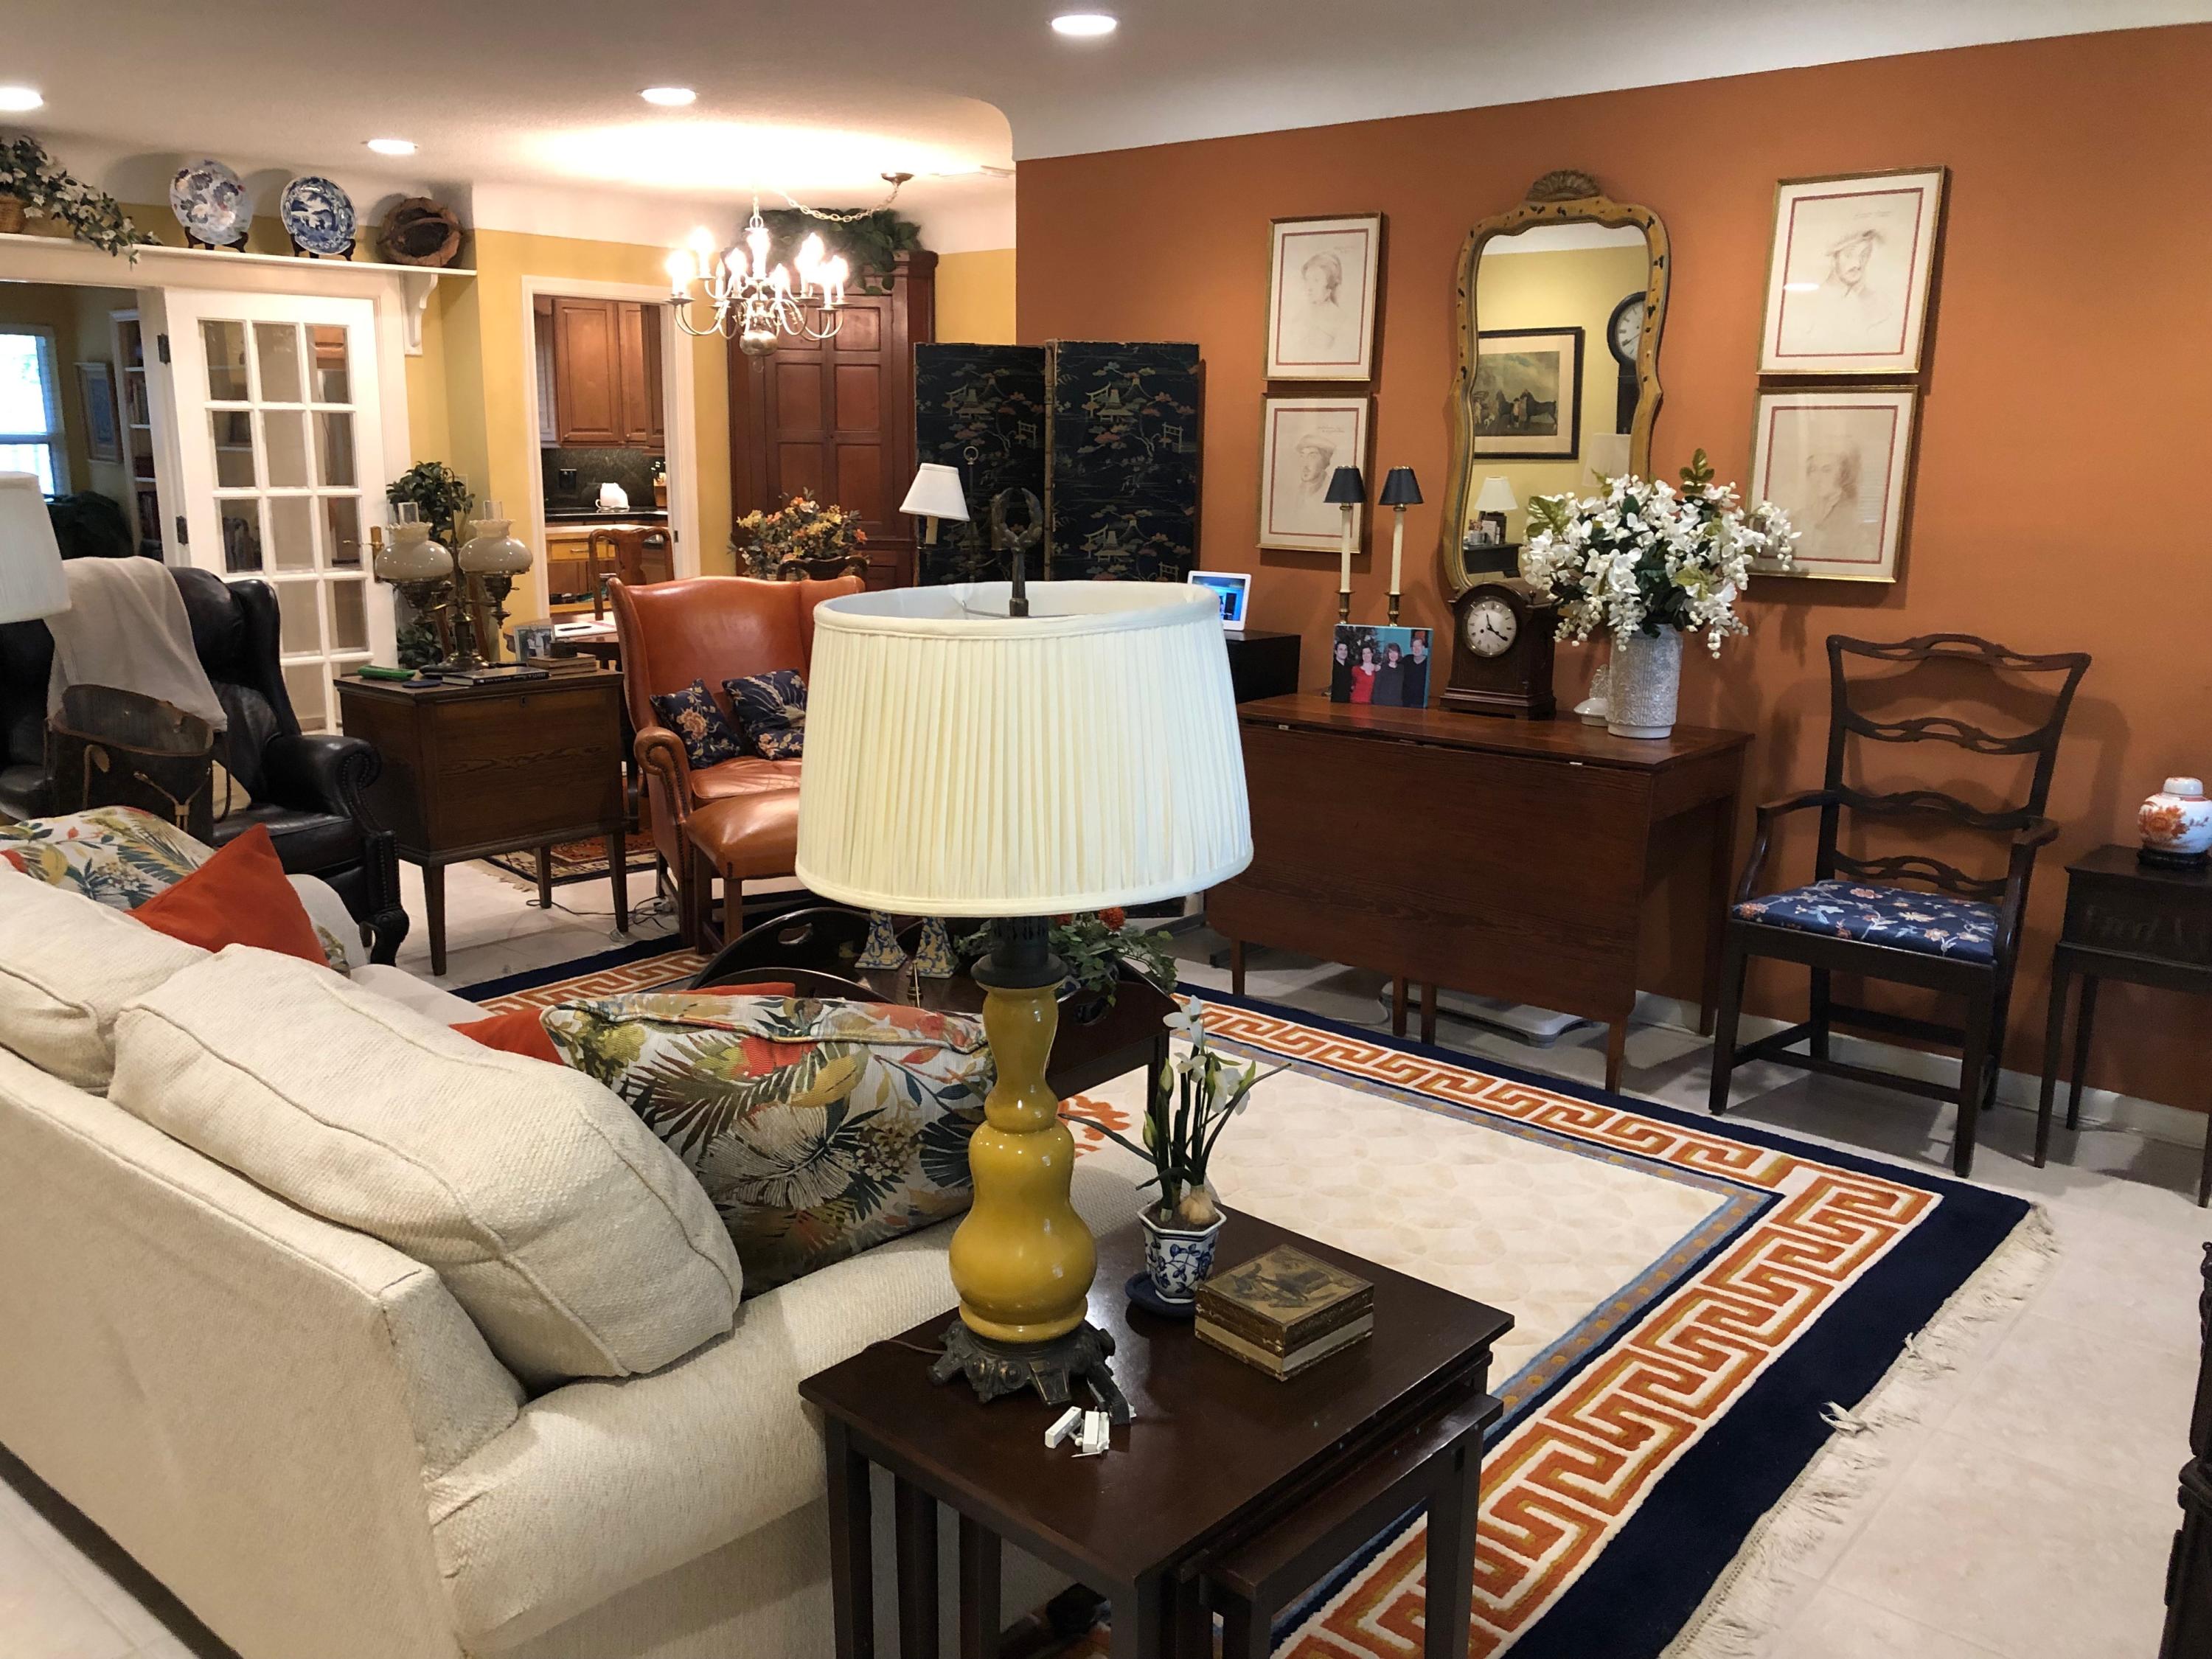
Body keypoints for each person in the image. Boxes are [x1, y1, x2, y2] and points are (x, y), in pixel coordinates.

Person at [1285, 248, 1347, 364]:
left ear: (1330, 285)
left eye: (1316, 280)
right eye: (1307, 280)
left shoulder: (1340, 320)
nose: (1309, 287)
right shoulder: (1299, 317)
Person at [1401, 631, 1431, 707]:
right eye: (1414, 647)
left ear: (1423, 647)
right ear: (1411, 648)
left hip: (1421, 703)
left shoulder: (1429, 663)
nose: (1416, 649)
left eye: (1419, 646)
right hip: (1406, 702)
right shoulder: (1406, 660)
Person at [1374, 641, 1405, 707]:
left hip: (1397, 704)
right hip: (1382, 704)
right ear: (1387, 654)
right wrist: (1376, 704)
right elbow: (1376, 688)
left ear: (1399, 653)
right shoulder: (1381, 668)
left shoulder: (1402, 668)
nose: (1393, 655)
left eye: (1395, 652)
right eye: (1390, 652)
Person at [1348, 641, 1379, 705]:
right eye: (1364, 653)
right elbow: (1352, 684)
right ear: (1362, 656)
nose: (1366, 655)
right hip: (1356, 702)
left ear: (1372, 654)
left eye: (1368, 653)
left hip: (1371, 703)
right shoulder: (1355, 669)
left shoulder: (1378, 669)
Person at [1329, 636, 1352, 702]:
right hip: (1334, 701)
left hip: (1347, 701)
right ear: (1336, 652)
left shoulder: (1350, 667)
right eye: (1341, 649)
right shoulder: (1332, 666)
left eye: (1345, 650)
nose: (1343, 652)